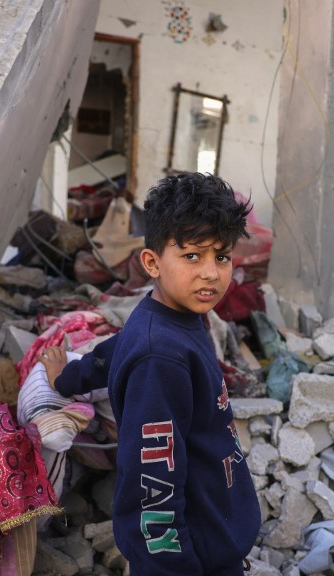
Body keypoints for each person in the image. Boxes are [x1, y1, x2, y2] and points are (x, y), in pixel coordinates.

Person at [105, 172, 260, 575]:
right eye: (193, 256)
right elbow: (153, 492)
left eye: (221, 257)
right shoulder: (160, 358)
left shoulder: (172, 318)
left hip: (216, 542)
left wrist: (67, 377)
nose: (211, 272)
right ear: (152, 262)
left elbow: (114, 349)